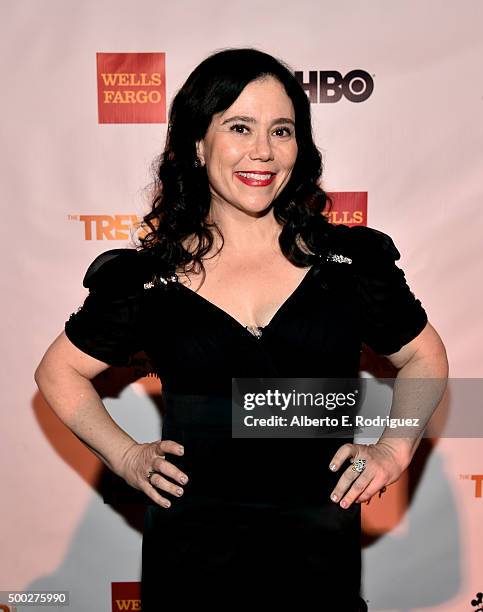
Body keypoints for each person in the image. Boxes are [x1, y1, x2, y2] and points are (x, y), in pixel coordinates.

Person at [35, 48, 448, 610]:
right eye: (240, 127)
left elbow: (424, 357)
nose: (263, 151)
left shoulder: (348, 264)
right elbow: (59, 372)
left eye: (282, 130)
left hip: (318, 566)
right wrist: (126, 456)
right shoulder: (148, 279)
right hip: (190, 562)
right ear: (198, 145)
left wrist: (396, 450)